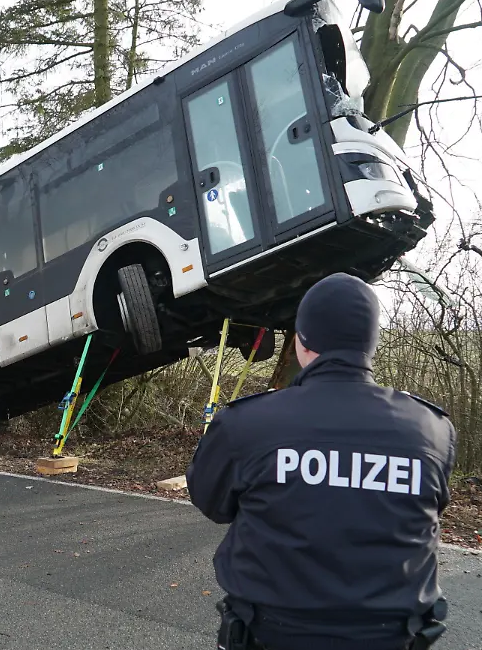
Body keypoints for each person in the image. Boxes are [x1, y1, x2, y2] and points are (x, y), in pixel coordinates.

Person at [186, 272, 456, 650]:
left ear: (301, 342)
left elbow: (210, 501)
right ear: (370, 345)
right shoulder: (432, 429)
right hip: (392, 639)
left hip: (271, 635)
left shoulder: (246, 423)